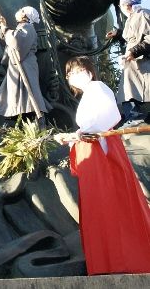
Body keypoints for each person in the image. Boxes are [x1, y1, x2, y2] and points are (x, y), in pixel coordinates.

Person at [54, 55, 150, 275]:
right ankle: (104, 262)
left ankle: (122, 261)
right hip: (91, 150)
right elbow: (87, 129)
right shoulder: (88, 95)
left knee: (108, 200)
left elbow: (108, 116)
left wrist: (79, 134)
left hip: (101, 150)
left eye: (78, 71)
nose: (74, 77)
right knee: (96, 204)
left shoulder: (98, 87)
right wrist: (73, 137)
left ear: (89, 71)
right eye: (70, 74)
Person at [0, 6, 50, 124]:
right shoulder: (22, 28)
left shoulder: (28, 27)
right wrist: (3, 26)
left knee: (28, 97)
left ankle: (34, 121)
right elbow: (12, 40)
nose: (19, 11)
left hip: (25, 67)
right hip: (19, 67)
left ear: (25, 16)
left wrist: (5, 29)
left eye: (22, 10)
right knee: (18, 96)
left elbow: (17, 41)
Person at [106, 0, 150, 127]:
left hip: (143, 62)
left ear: (127, 6)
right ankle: (133, 116)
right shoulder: (131, 18)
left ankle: (139, 117)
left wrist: (135, 51)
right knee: (127, 92)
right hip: (132, 64)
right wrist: (117, 34)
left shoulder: (143, 14)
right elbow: (131, 38)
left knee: (140, 91)